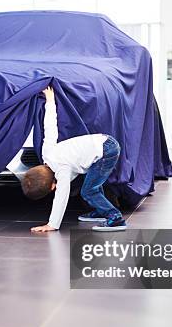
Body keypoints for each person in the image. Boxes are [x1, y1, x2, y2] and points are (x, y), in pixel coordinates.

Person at [21, 86, 126, 232]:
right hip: (102, 144)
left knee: (88, 191)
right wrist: (50, 100)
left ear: (52, 187)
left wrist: (52, 224)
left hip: (106, 150)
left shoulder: (62, 170)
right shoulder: (47, 154)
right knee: (92, 182)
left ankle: (115, 218)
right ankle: (100, 210)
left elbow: (61, 198)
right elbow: (50, 127)